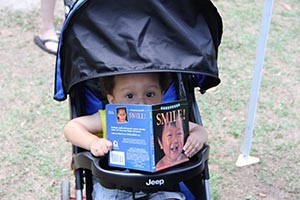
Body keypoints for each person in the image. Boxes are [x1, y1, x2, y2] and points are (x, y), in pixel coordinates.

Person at [64, 72, 208, 200]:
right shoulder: (109, 118)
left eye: (150, 94)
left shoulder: (165, 119)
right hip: (114, 189)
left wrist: (197, 137)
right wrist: (93, 142)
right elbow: (72, 128)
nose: (141, 102)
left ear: (162, 95)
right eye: (130, 96)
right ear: (112, 100)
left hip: (161, 188)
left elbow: (199, 130)